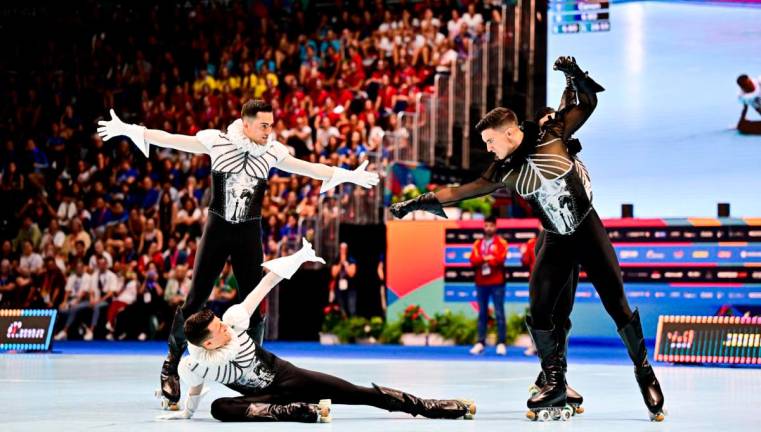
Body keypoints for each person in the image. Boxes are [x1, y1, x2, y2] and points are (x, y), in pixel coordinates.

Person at [390, 56, 665, 422]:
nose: (487, 148)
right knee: (540, 309)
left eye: (489, 140)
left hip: (588, 229)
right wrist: (416, 202)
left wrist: (574, 75)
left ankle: (644, 371)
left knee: (616, 304)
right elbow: (462, 190)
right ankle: (554, 381)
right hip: (554, 238)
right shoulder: (503, 170)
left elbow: (588, 103)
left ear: (509, 131)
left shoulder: (552, 131)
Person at [98, 99, 379, 408]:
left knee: (254, 304)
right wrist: (130, 130)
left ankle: (253, 365)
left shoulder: (272, 151)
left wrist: (348, 175)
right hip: (217, 228)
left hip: (248, 232)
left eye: (272, 125)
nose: (269, 130)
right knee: (195, 300)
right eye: (264, 125)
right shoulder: (216, 141)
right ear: (245, 123)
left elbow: (311, 169)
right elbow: (170, 139)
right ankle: (171, 366)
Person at [159, 240, 476, 423]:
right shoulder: (193, 364)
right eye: (219, 330)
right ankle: (296, 412)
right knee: (220, 408)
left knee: (356, 393)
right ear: (208, 342)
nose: (226, 328)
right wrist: (185, 415)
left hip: (287, 376)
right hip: (264, 399)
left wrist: (298, 256)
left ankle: (428, 406)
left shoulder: (235, 318)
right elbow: (195, 390)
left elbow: (267, 282)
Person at [468, 215, 508, 356]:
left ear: (495, 227)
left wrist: (485, 259)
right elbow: (473, 260)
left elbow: (499, 260)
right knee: (482, 314)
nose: (488, 228)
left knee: (499, 313)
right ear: (483, 227)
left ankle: (501, 343)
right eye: (486, 225)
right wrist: (487, 258)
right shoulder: (477, 243)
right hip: (481, 283)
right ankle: (480, 342)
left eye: (491, 225)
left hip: (497, 283)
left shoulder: (501, 242)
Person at [330, 242, 357, 316]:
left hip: (350, 288)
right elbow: (333, 274)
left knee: (352, 309)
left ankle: (352, 325)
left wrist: (346, 265)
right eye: (341, 249)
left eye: (344, 249)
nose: (343, 250)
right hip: (339, 288)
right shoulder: (336, 260)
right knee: (342, 309)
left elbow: (352, 274)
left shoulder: (351, 259)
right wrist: (340, 264)